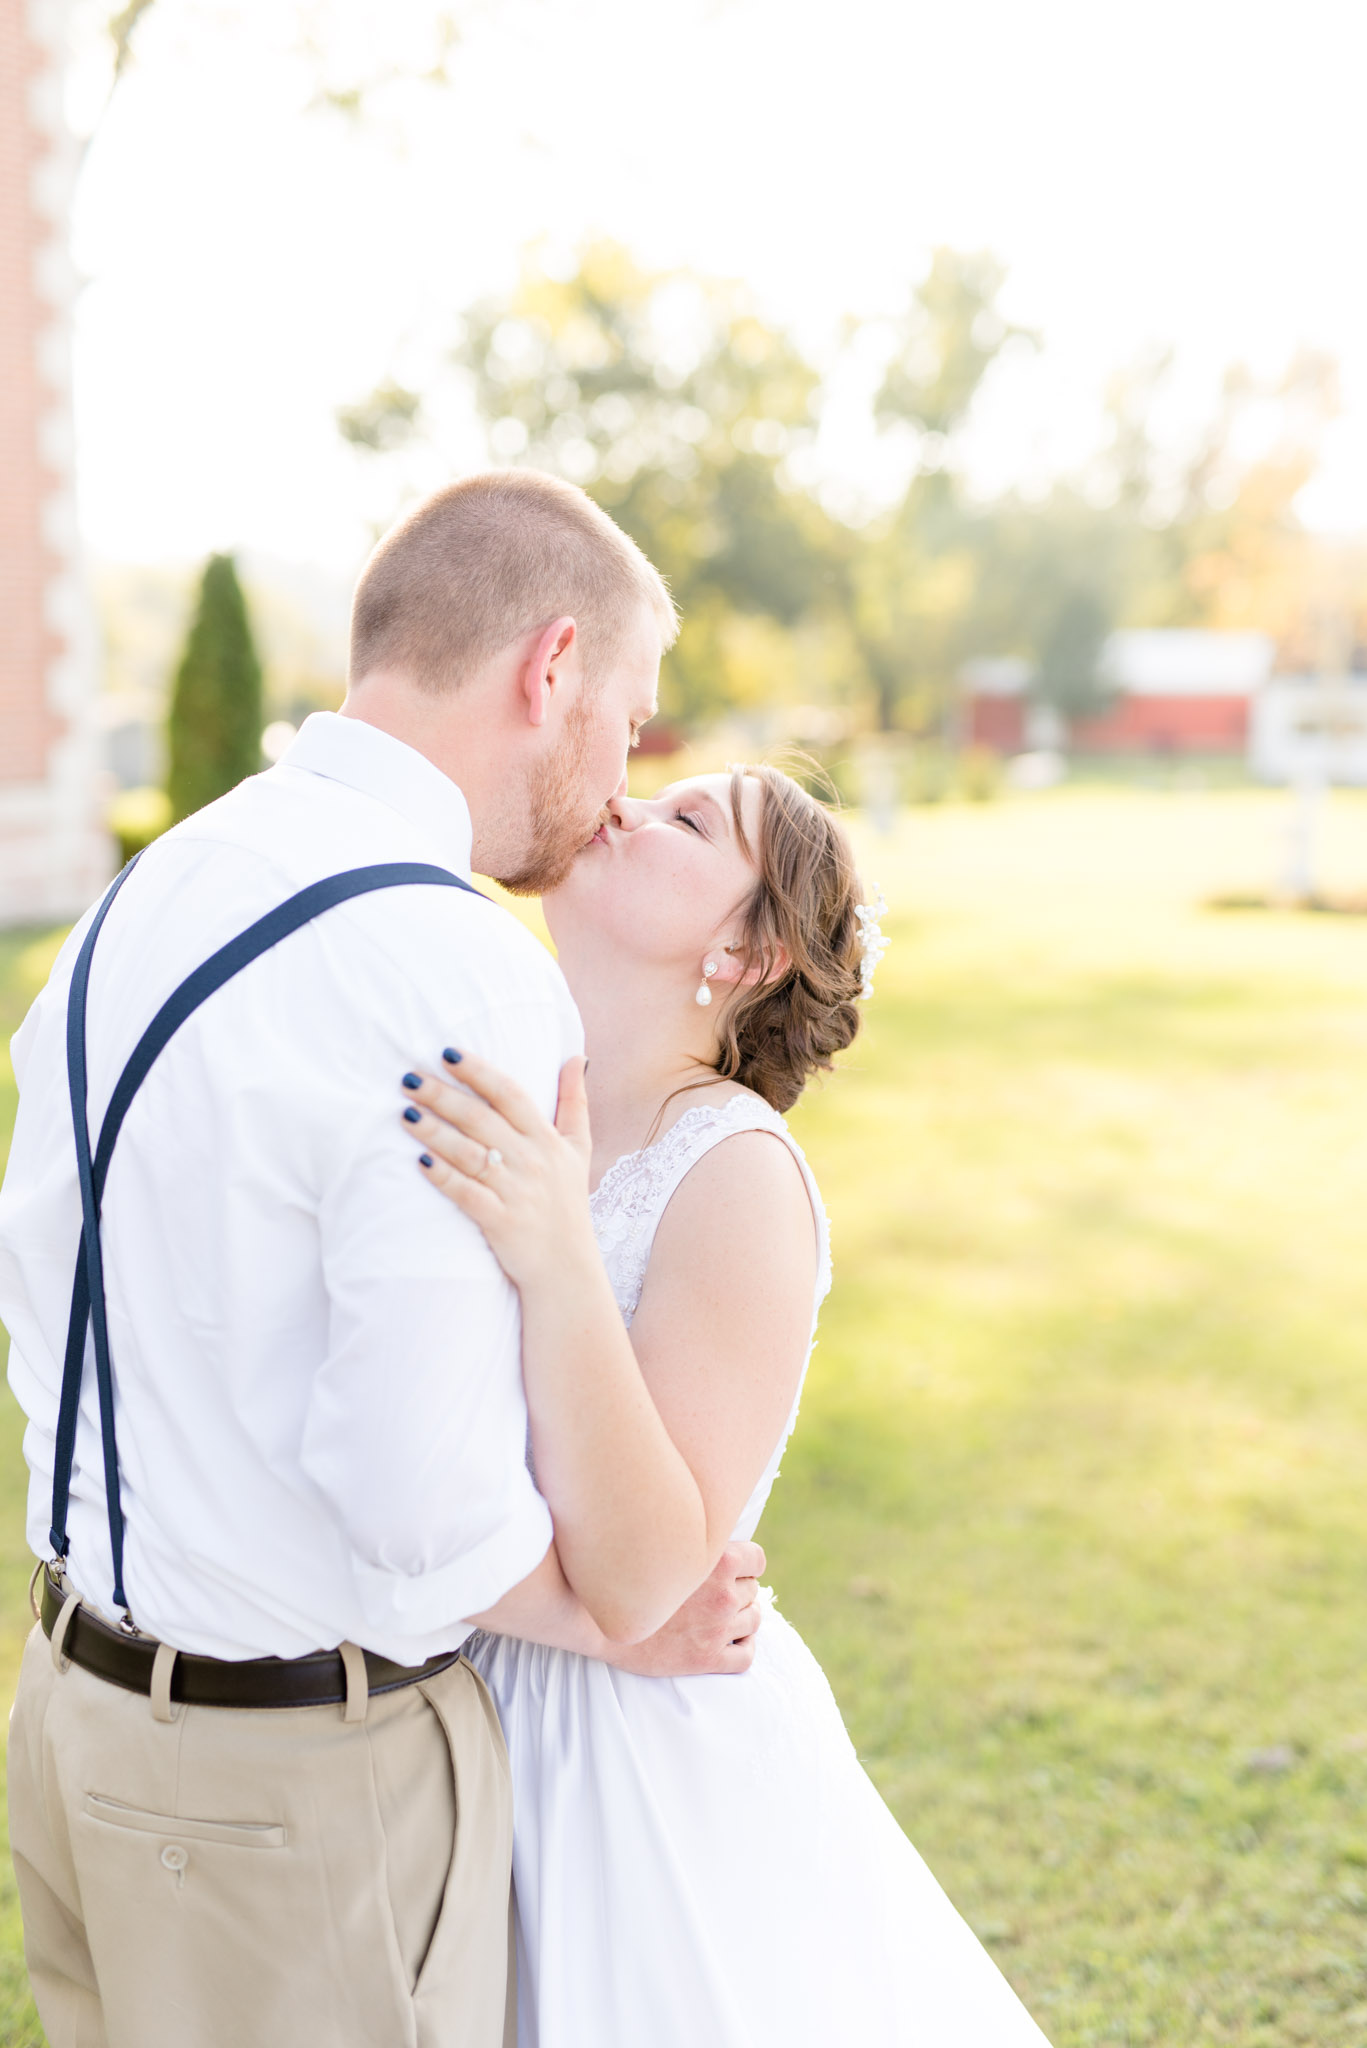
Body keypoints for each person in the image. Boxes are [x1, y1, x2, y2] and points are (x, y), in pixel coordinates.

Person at [0, 471, 764, 2048]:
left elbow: (43, 1278)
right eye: (627, 721)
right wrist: (602, 1615)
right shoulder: (448, 959)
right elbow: (411, 1484)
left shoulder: (145, 890)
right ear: (549, 670)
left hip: (69, 1723)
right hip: (293, 1796)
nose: (622, 774)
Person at [399, 762, 1056, 2047]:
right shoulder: (505, 1087)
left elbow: (646, 1562)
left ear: (744, 949)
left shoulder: (736, 1175)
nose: (625, 806)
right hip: (434, 1700)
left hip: (624, 1759)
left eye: (688, 822)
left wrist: (555, 1247)